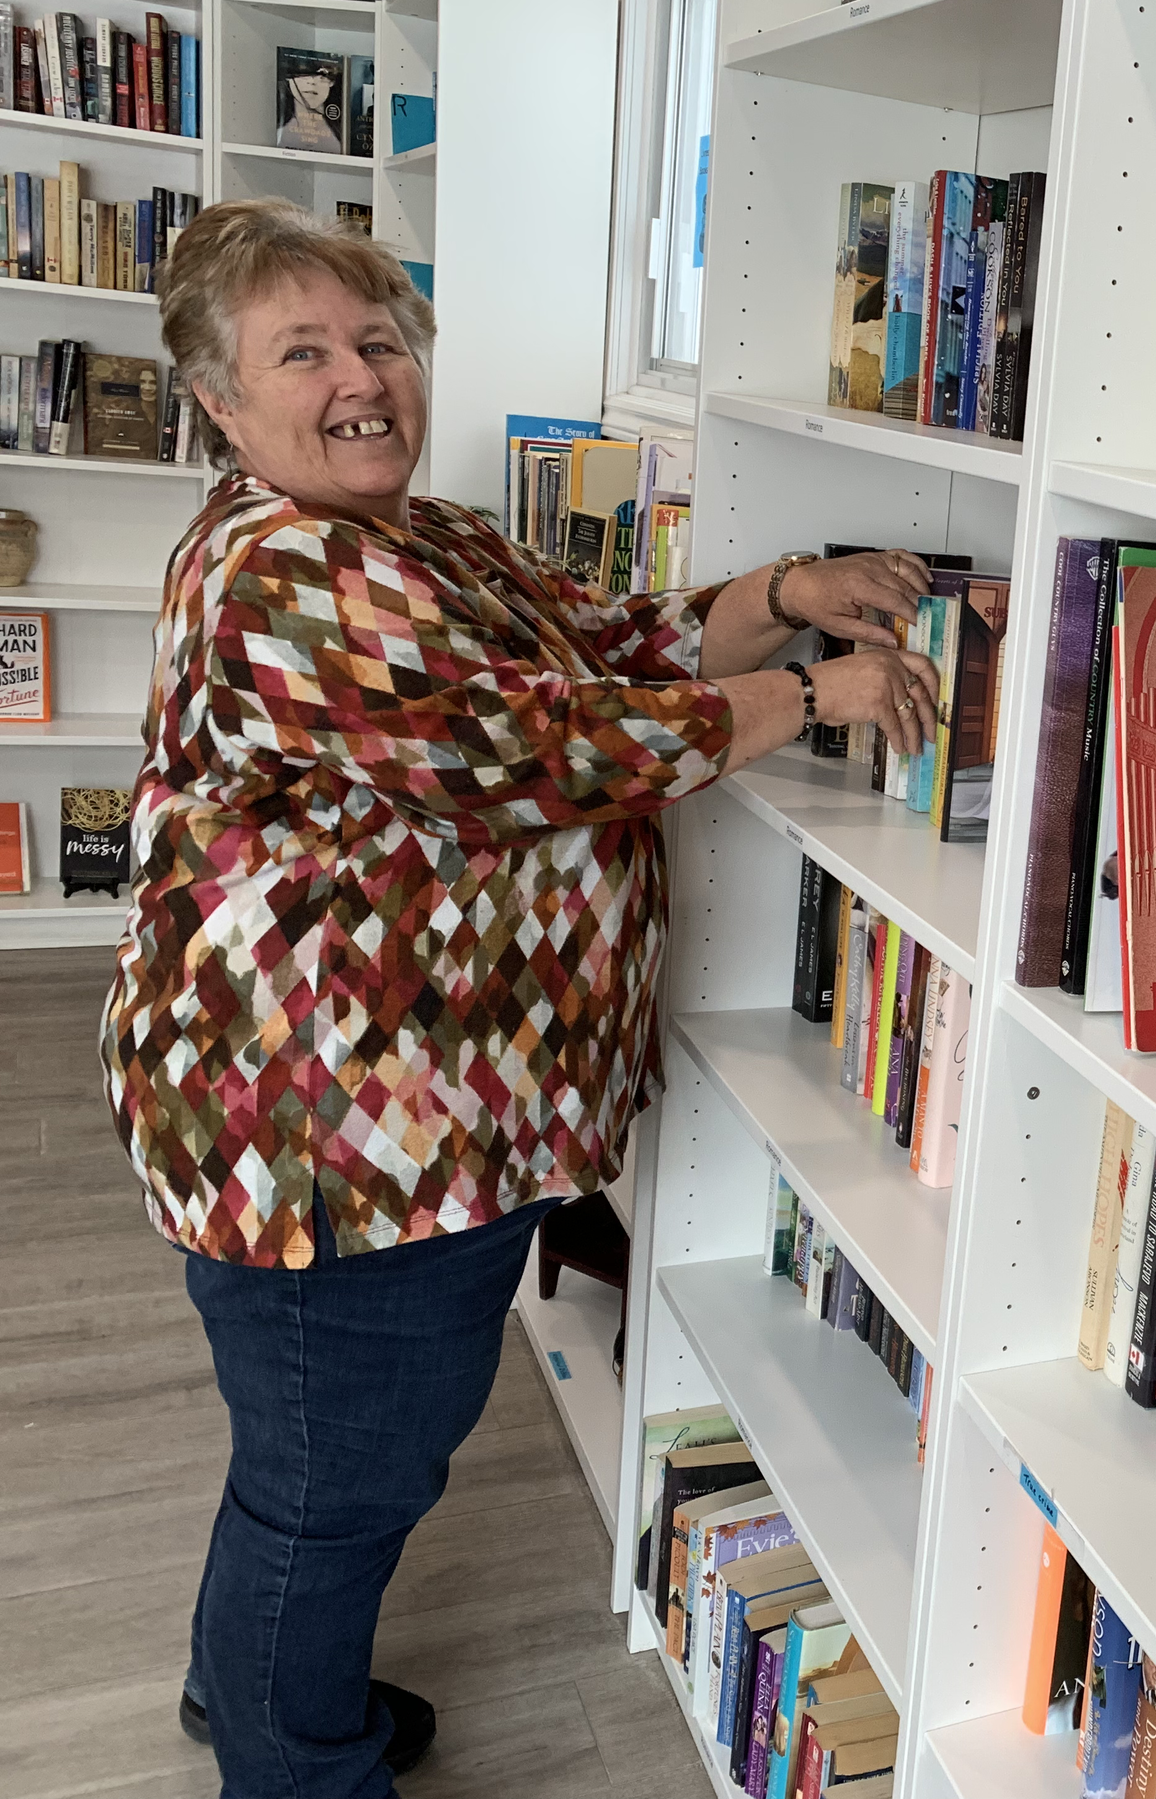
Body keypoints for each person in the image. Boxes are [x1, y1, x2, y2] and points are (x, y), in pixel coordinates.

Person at [99, 198, 942, 1799]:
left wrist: (782, 592)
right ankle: (296, 1755)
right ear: (218, 399)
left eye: (379, 341)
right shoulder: (283, 569)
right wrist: (806, 693)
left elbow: (599, 648)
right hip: (335, 1147)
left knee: (322, 1464)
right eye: (304, 351)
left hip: (421, 1128)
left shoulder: (426, 532)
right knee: (334, 1483)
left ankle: (264, 1683)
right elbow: (531, 751)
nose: (362, 377)